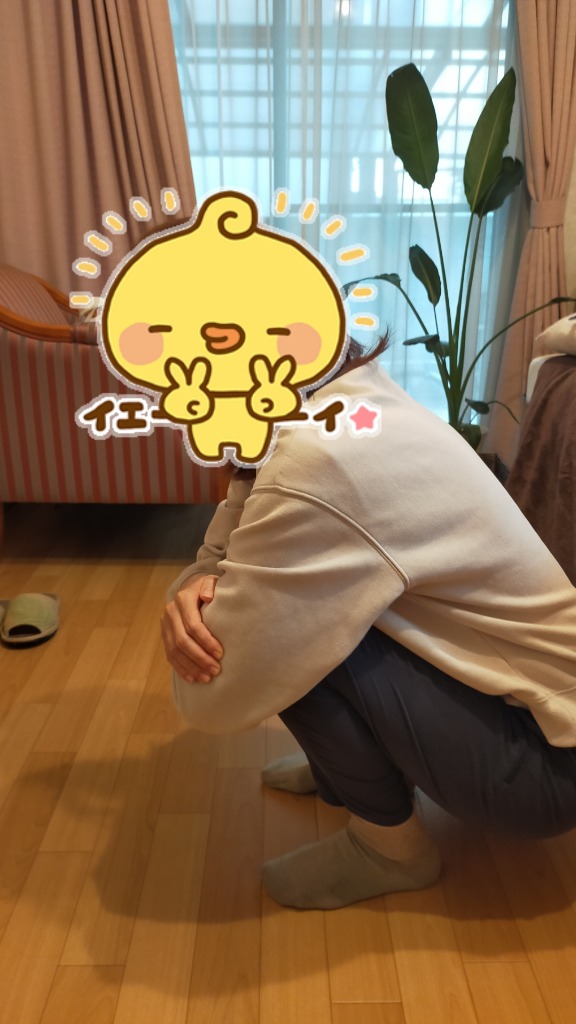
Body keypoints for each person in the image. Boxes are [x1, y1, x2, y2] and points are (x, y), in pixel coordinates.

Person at [161, 336, 576, 910]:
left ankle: (391, 851)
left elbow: (212, 691)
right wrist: (195, 585)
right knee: (299, 610)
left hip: (546, 768)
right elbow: (225, 545)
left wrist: (192, 608)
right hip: (534, 722)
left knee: (281, 632)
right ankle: (348, 775)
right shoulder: (352, 402)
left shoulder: (320, 460)